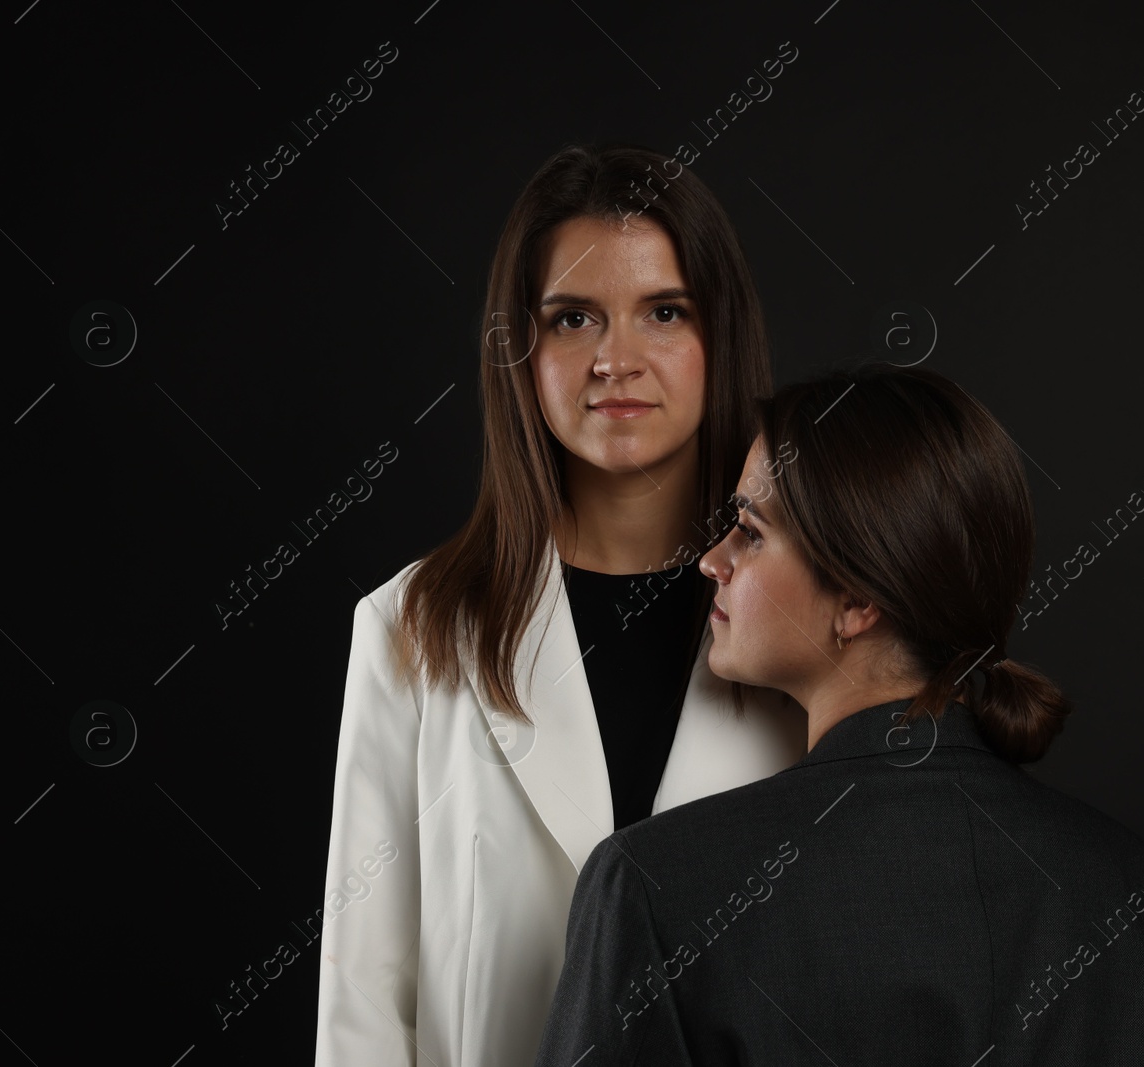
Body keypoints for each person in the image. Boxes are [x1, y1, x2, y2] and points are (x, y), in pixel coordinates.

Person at [532, 363, 1144, 1065]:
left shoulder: (658, 887)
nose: (713, 560)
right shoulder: (1134, 892)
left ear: (858, 600)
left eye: (751, 532)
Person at [313, 142, 807, 1066]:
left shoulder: (809, 615)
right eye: (574, 318)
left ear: (721, 335)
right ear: (519, 348)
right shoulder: (410, 628)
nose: (615, 360)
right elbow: (365, 1007)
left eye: (664, 312)